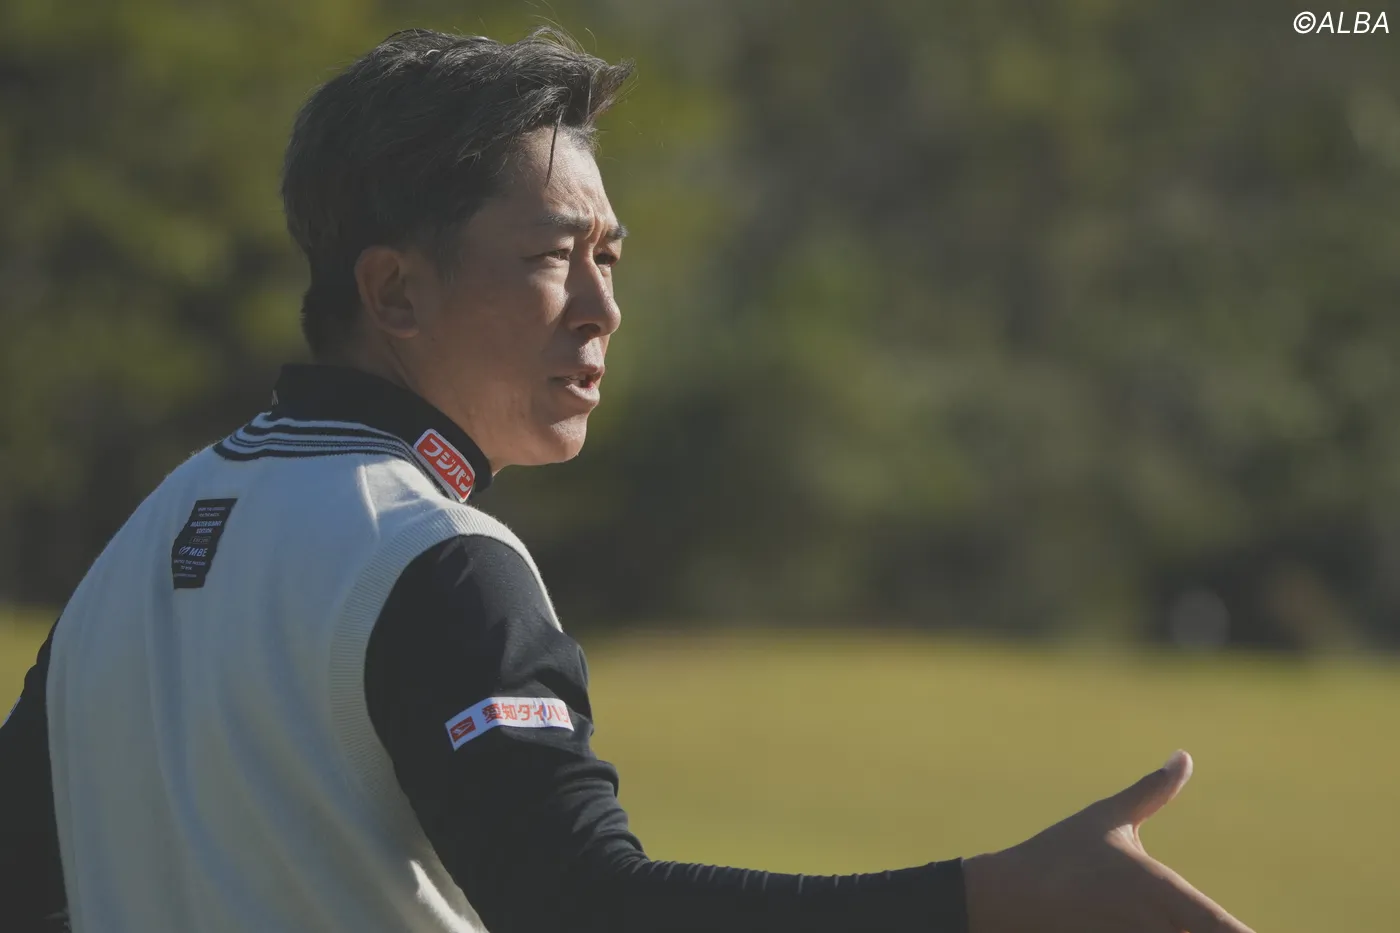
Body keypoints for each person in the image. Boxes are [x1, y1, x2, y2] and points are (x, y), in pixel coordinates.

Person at [0, 27, 1255, 933]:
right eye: (555, 256)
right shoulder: (427, 558)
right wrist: (994, 897)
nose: (602, 307)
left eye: (610, 256)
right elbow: (582, 906)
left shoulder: (139, 546)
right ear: (394, 291)